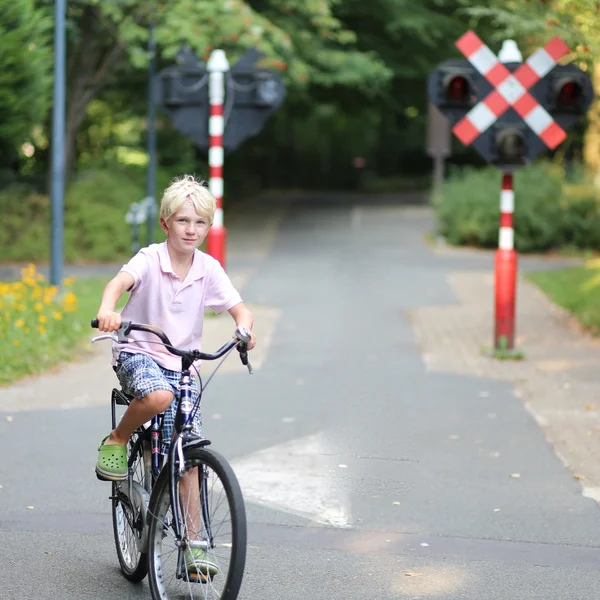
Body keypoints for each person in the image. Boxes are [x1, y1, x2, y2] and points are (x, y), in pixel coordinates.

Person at [94, 174, 255, 575]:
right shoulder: (150, 259)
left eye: (200, 223)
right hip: (139, 352)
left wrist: (245, 330)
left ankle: (195, 546)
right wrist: (109, 310)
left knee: (190, 457)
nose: (192, 230)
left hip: (181, 364)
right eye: (183, 221)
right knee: (158, 398)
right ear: (166, 223)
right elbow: (119, 283)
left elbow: (240, 309)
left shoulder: (208, 268)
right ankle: (116, 439)